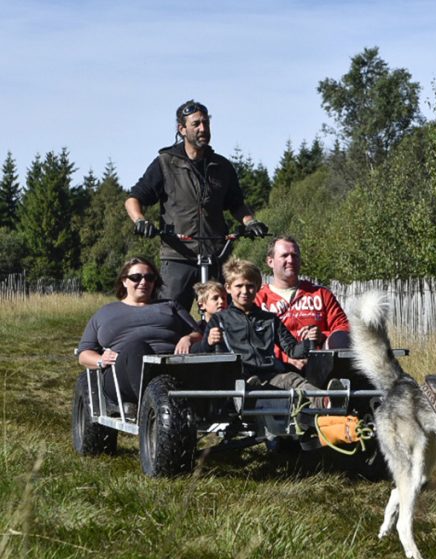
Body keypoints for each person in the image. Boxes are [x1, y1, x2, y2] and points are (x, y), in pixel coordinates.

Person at [125, 99, 269, 312]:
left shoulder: (221, 166)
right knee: (168, 314)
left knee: (224, 315)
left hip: (216, 254)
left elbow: (237, 204)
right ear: (182, 129)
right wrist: (140, 221)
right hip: (178, 255)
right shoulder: (166, 162)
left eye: (206, 123)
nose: (203, 129)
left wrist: (250, 222)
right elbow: (133, 198)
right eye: (196, 124)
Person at [77, 257, 200, 416]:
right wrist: (101, 360)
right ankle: (152, 409)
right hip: (123, 374)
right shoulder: (105, 313)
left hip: (169, 364)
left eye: (149, 278)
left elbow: (198, 333)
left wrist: (188, 338)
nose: (143, 282)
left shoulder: (170, 305)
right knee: (137, 347)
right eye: (136, 277)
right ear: (124, 281)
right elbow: (83, 354)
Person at [193, 258, 314, 392]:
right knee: (246, 386)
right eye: (239, 286)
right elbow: (201, 354)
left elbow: (293, 350)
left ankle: (329, 400)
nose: (245, 291)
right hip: (238, 379)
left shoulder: (269, 319)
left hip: (270, 375)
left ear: (258, 287)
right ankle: (254, 396)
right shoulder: (219, 320)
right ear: (228, 288)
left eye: (250, 286)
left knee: (293, 380)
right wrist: (209, 342)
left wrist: (310, 340)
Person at [254, 236, 351, 373]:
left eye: (295, 255)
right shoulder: (257, 299)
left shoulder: (320, 294)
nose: (290, 260)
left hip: (320, 369)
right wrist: (288, 357)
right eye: (284, 256)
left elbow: (344, 328)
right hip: (274, 372)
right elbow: (249, 340)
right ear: (270, 261)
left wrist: (322, 336)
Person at [192, 280, 227, 346]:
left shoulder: (233, 325)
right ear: (201, 305)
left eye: (223, 298)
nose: (221, 301)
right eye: (215, 298)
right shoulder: (198, 329)